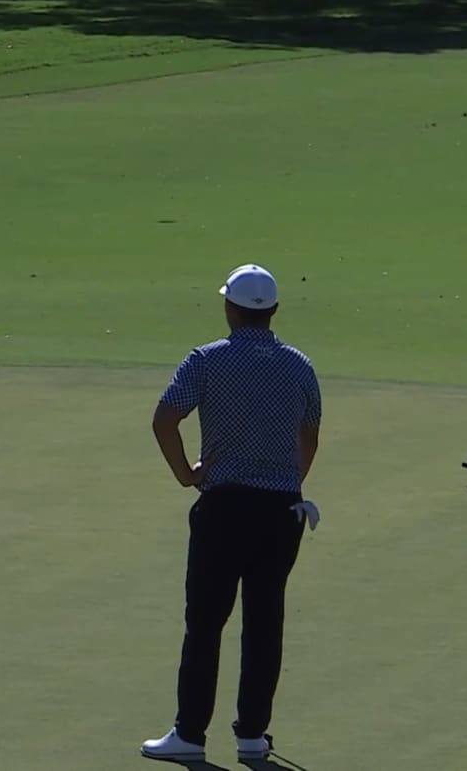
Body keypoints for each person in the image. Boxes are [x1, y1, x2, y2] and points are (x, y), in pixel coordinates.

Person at [140, 264, 322, 765]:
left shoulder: (206, 360)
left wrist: (186, 474)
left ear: (229, 309)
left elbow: (164, 420)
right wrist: (292, 477)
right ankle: (252, 736)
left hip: (223, 506)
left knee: (205, 622)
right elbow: (309, 433)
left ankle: (190, 735)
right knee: (265, 622)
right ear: (274, 312)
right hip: (281, 511)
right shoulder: (300, 366)